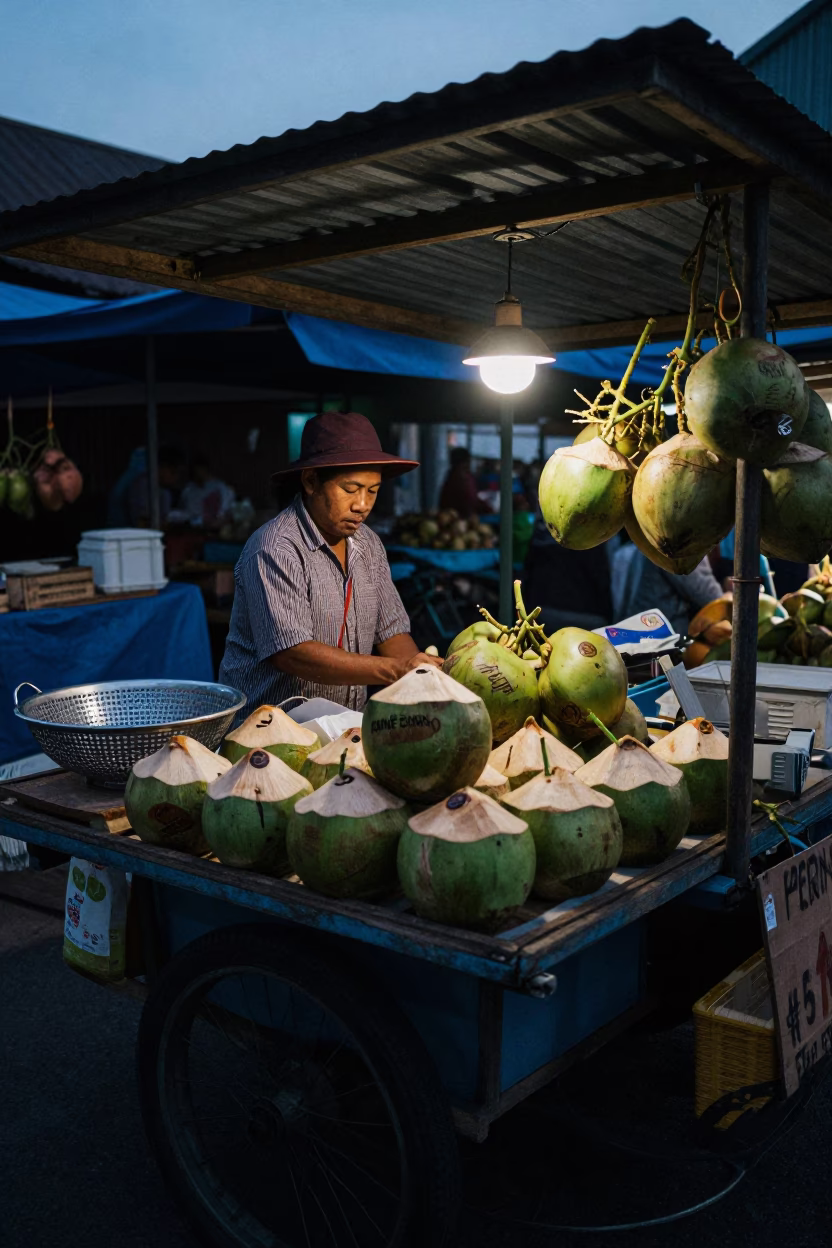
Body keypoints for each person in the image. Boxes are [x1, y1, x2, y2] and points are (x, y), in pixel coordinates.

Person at [219, 411, 442, 717]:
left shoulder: (369, 545)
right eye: (350, 489)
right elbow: (293, 654)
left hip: (345, 730)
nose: (362, 505)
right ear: (311, 482)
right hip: (268, 736)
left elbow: (391, 633)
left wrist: (427, 678)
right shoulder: (275, 548)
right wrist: (396, 670)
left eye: (372, 491)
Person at [617, 548, 724, 638]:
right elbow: (706, 594)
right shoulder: (678, 543)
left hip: (651, 628)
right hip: (657, 636)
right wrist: (728, 597)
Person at [180, 453, 235, 529]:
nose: (198, 473)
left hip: (215, 527)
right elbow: (186, 512)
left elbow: (225, 511)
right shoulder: (189, 489)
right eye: (195, 471)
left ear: (205, 469)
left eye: (200, 470)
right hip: (193, 527)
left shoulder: (219, 487)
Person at [439, 447, 487, 516]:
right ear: (465, 462)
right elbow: (470, 500)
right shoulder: (461, 478)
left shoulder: (453, 476)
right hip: (460, 518)